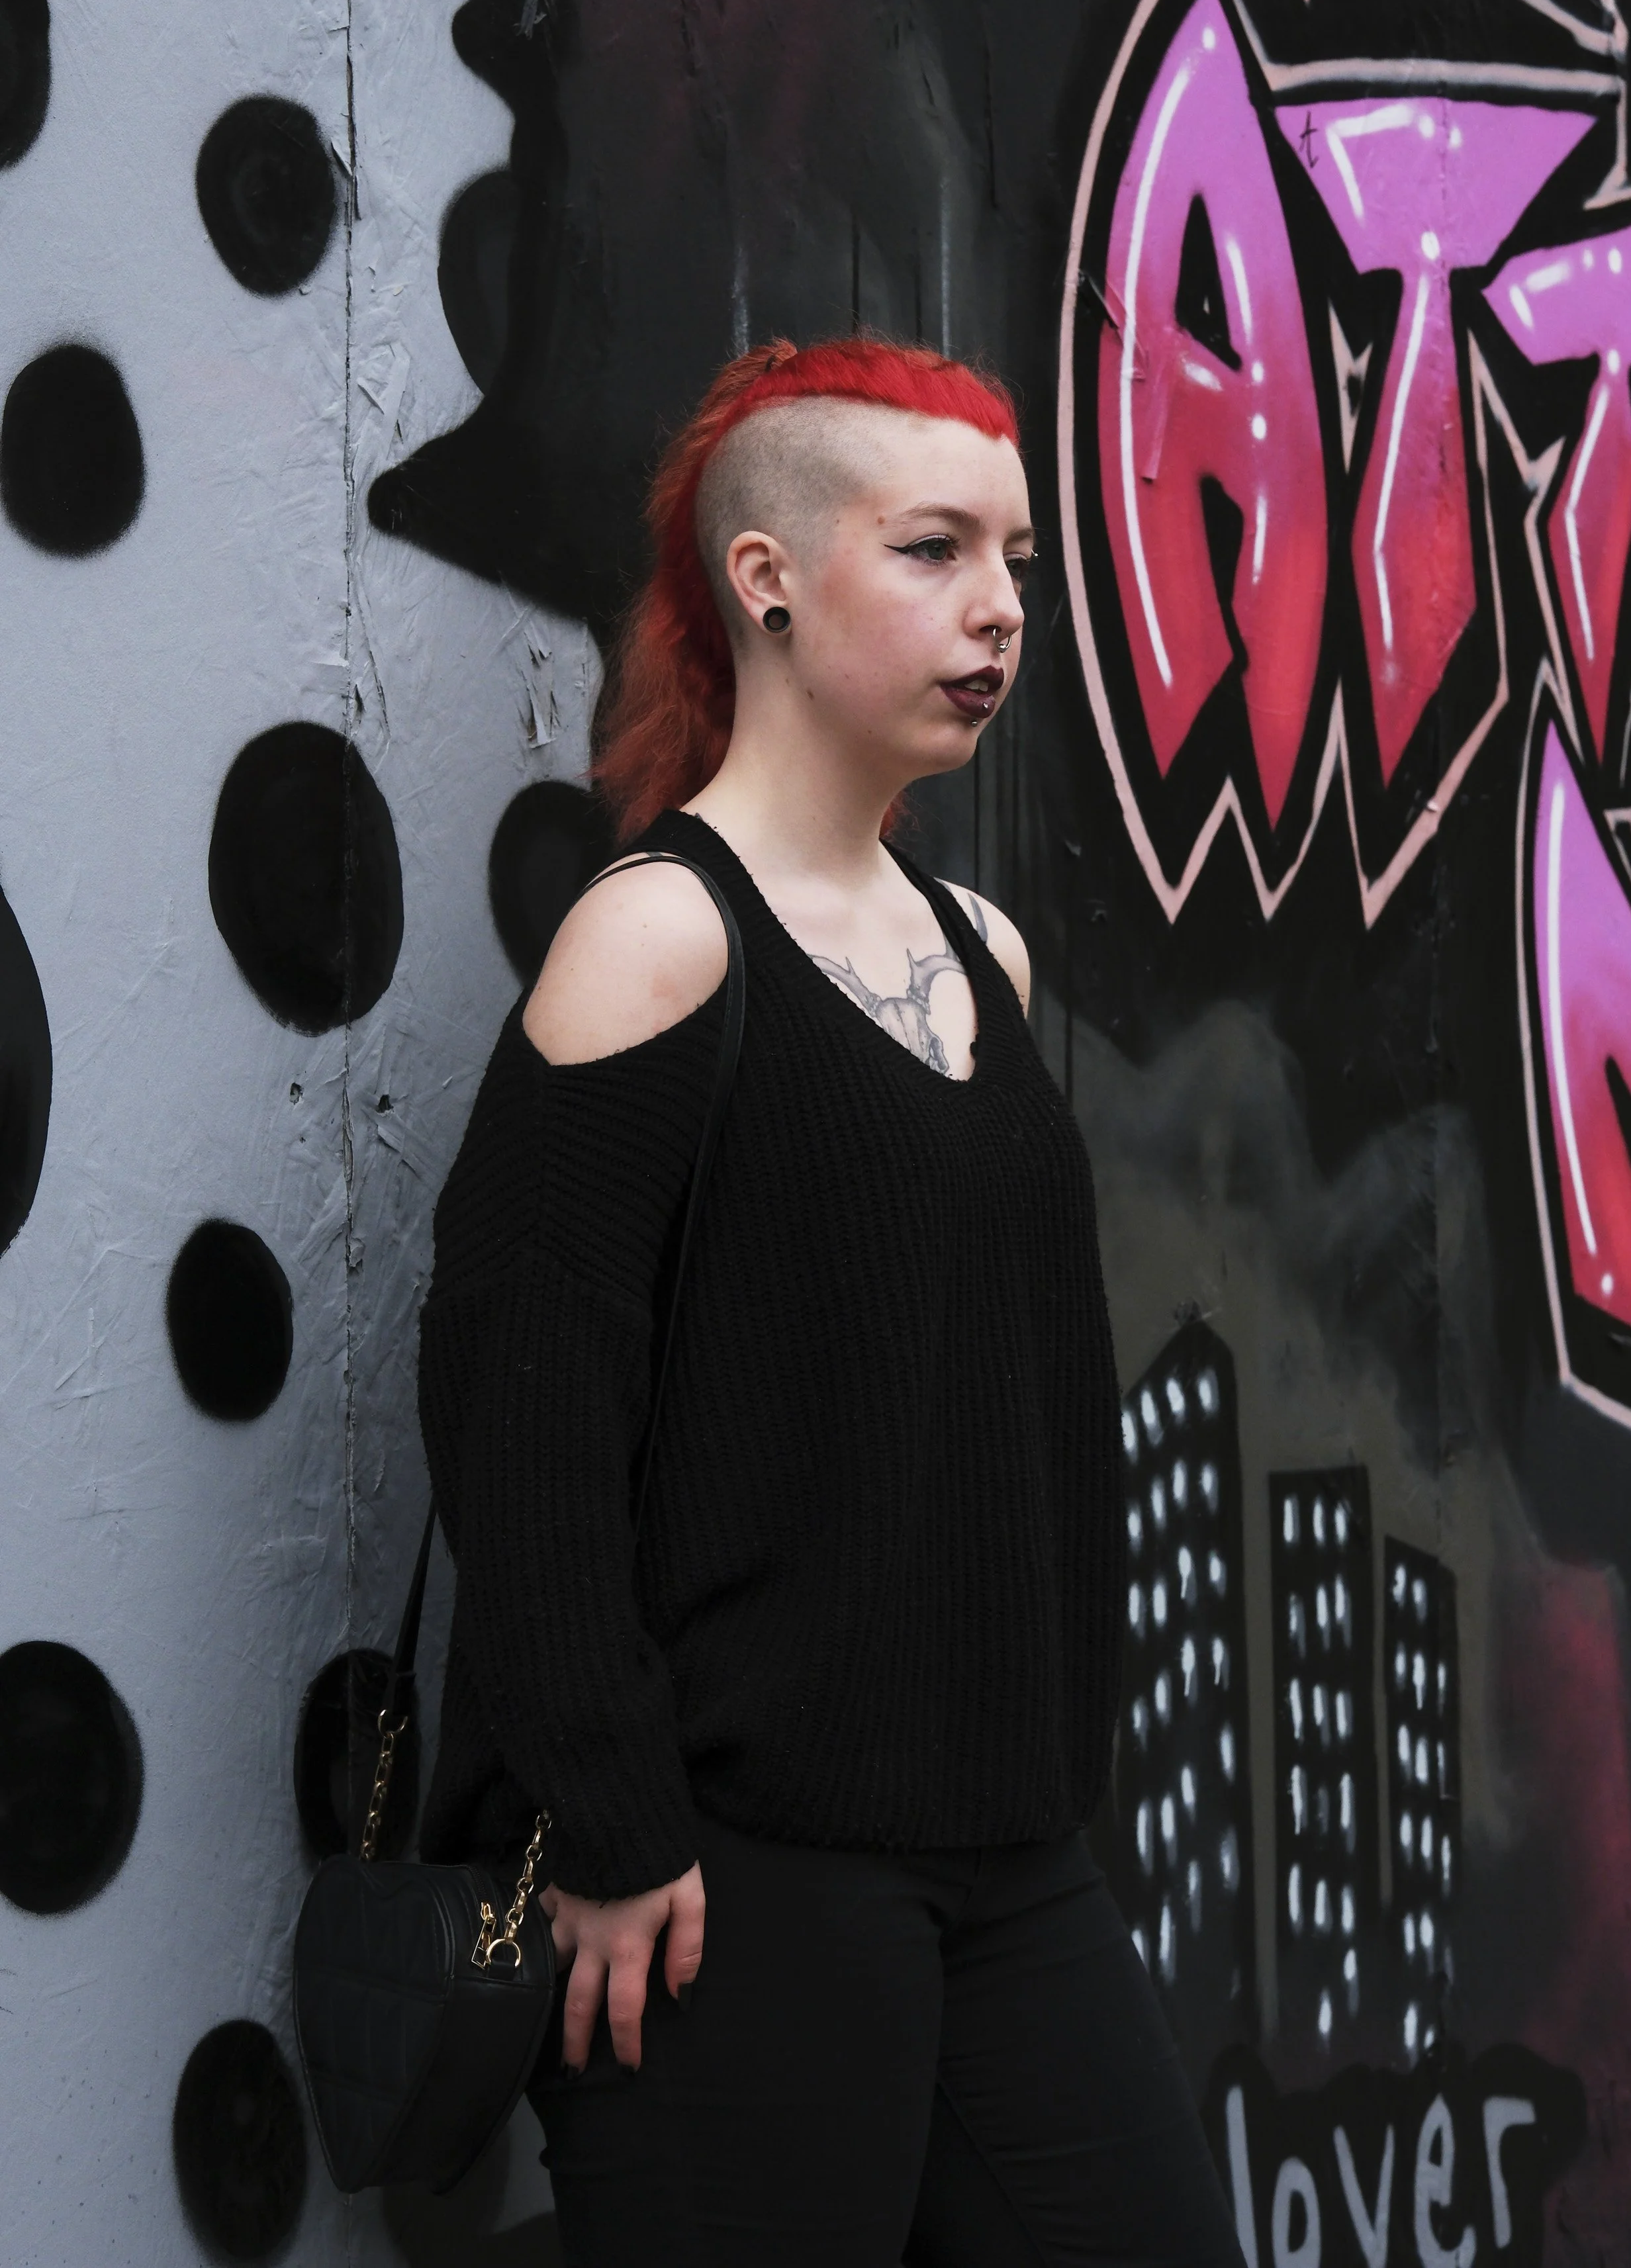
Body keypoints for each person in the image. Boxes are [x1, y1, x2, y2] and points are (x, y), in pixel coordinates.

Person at [416, 338, 1244, 2266]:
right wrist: (613, 1826)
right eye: (935, 549)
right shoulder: (656, 936)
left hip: (1009, 1862)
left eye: (1018, 559)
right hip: (730, 1884)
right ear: (767, 578)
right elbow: (512, 1407)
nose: (999, 609)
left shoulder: (986, 952)